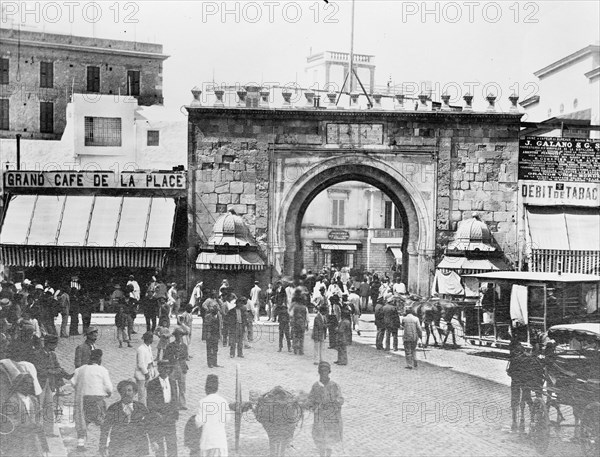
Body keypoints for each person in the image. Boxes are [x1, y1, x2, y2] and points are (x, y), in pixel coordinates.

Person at [71, 349, 114, 450]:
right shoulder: (102, 370)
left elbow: (73, 383)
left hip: (84, 400)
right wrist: (108, 394)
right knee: (103, 422)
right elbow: (109, 387)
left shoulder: (80, 369)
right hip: (97, 400)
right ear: (99, 359)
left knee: (83, 421)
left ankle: (80, 443)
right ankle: (104, 444)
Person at [1, 372, 50, 457]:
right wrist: (29, 425)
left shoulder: (33, 400)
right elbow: (9, 423)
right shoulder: (11, 401)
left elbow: (39, 417)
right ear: (19, 384)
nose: (28, 386)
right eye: (25, 383)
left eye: (30, 384)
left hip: (34, 440)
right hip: (17, 440)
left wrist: (38, 424)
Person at [99, 380, 152, 457]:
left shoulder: (141, 407)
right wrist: (102, 445)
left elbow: (149, 425)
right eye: (123, 391)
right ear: (120, 393)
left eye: (129, 390)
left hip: (138, 445)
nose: (126, 393)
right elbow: (105, 428)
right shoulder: (113, 408)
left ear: (134, 393)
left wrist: (153, 441)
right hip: (118, 445)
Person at [307, 361, 344, 457]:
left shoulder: (334, 386)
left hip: (331, 418)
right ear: (319, 372)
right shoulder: (316, 386)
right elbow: (310, 399)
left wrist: (334, 403)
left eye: (326, 371)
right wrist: (312, 406)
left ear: (329, 372)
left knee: (329, 441)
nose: (324, 373)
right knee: (320, 440)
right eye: (321, 371)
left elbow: (340, 399)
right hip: (319, 418)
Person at [147, 360, 180, 457]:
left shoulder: (173, 382)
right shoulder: (152, 384)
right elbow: (150, 401)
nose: (166, 370)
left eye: (168, 368)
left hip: (170, 416)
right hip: (159, 416)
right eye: (164, 368)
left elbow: (175, 398)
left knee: (172, 443)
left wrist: (174, 412)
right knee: (159, 444)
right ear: (159, 369)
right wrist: (157, 413)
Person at [195, 374, 232, 456]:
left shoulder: (203, 402)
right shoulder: (223, 401)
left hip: (207, 441)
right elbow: (227, 419)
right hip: (220, 441)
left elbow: (199, 422)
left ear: (206, 387)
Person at [164, 327, 189, 409]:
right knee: (173, 386)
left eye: (181, 335)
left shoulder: (184, 346)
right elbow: (166, 356)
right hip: (173, 367)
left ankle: (182, 403)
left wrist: (180, 357)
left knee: (182, 386)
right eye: (178, 335)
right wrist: (173, 358)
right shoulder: (170, 346)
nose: (179, 337)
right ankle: (174, 404)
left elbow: (185, 356)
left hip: (182, 367)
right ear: (175, 336)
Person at [134, 332, 156, 406]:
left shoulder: (149, 347)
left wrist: (153, 370)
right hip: (142, 375)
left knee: (149, 393)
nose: (152, 340)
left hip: (149, 372)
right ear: (148, 339)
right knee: (142, 395)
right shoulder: (141, 349)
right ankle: (141, 410)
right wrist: (146, 373)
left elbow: (151, 359)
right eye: (151, 338)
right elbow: (141, 364)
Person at [290, 287, 309, 355]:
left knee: (295, 336)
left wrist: (292, 322)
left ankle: (295, 349)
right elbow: (307, 318)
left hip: (296, 323)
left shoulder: (295, 307)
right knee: (301, 337)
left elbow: (291, 315)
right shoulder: (305, 308)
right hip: (302, 323)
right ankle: (301, 350)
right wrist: (307, 325)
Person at [204, 303, 222, 368]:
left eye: (217, 310)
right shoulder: (207, 316)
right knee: (209, 349)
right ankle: (209, 363)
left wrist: (220, 335)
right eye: (215, 310)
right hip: (210, 334)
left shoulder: (218, 316)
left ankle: (215, 362)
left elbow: (219, 326)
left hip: (216, 335)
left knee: (215, 349)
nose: (216, 311)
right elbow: (206, 325)